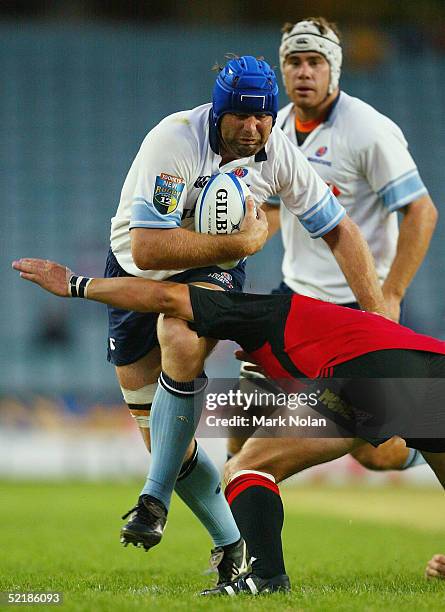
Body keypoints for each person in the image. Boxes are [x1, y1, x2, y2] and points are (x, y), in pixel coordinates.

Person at [101, 52, 388, 576]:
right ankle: (230, 546)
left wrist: (378, 323)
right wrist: (243, 239)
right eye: (242, 115)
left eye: (265, 114)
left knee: (182, 339)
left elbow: (341, 230)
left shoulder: (277, 150)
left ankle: (152, 500)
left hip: (213, 276)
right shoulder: (175, 142)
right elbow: (145, 248)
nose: (255, 127)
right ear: (219, 112)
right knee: (166, 443)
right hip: (134, 277)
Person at [12, 257, 445, 594]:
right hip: (433, 368)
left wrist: (75, 284)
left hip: (367, 374)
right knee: (374, 456)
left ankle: (266, 579)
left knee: (247, 466)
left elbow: (166, 299)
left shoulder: (255, 311)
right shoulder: (313, 330)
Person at [230, 17, 438, 473]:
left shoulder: (367, 130)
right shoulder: (272, 128)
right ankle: (232, 524)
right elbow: (272, 212)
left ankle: (423, 438)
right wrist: (243, 237)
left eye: (315, 62)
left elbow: (421, 211)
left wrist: (392, 294)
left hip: (355, 307)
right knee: (241, 405)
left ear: (333, 70)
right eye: (294, 61)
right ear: (282, 71)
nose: (304, 72)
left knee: (371, 451)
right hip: (297, 296)